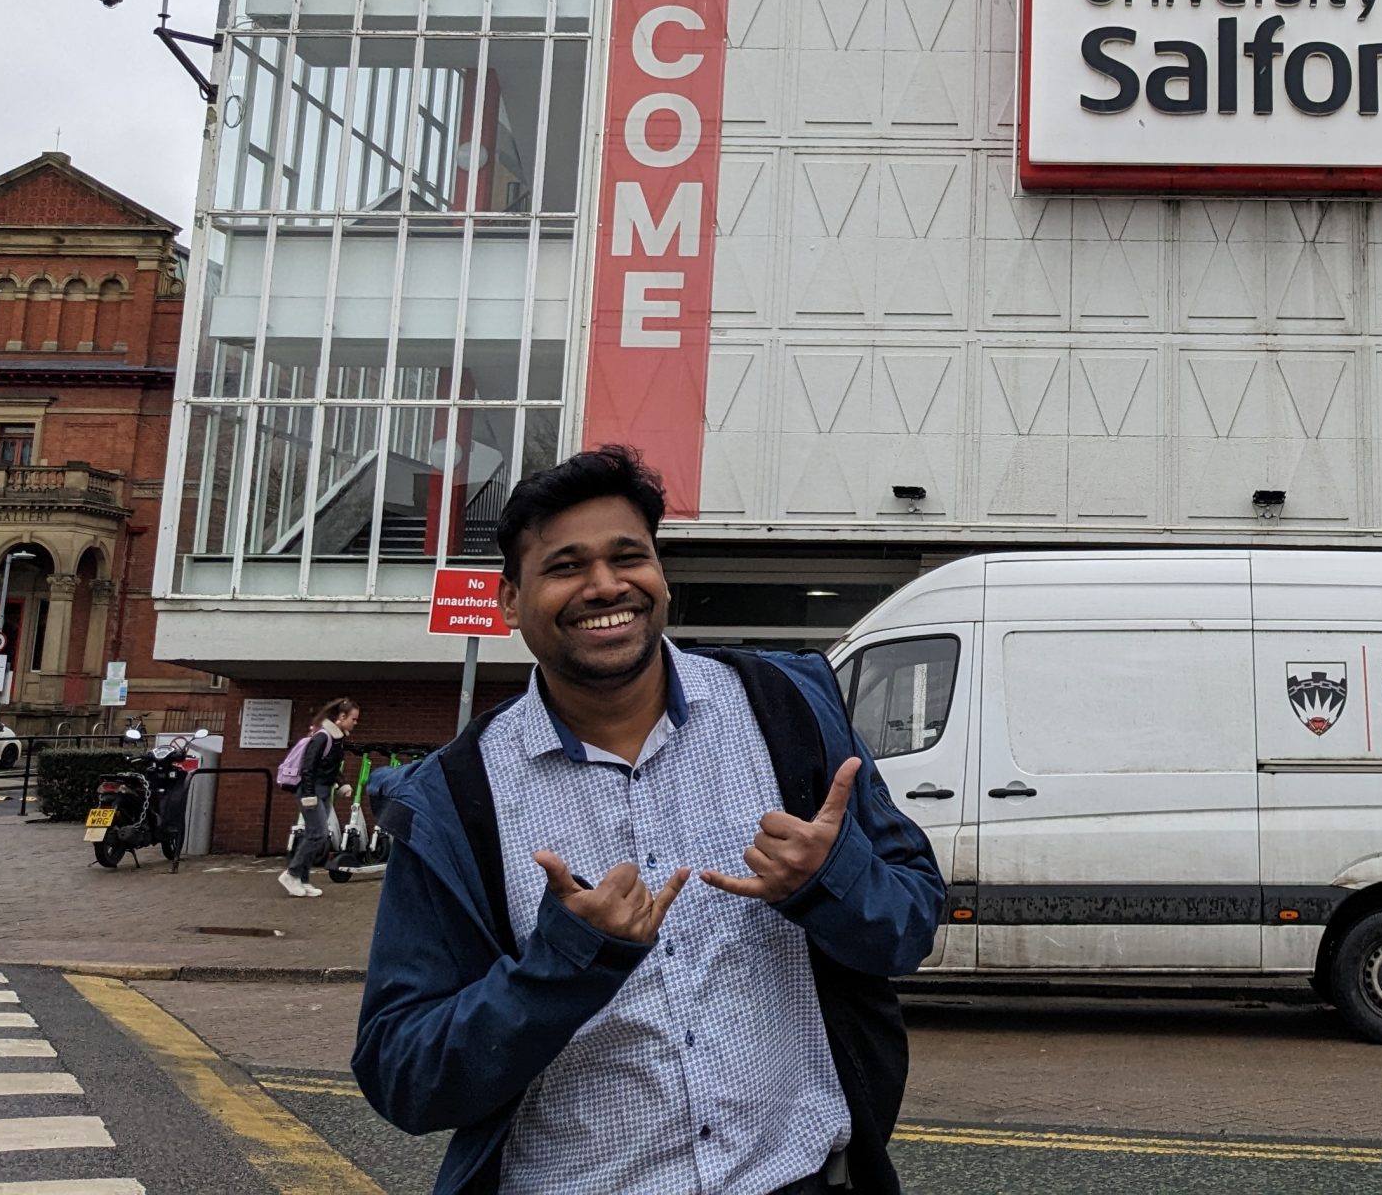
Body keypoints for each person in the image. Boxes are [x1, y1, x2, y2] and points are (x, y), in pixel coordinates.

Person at [353, 446, 943, 1195]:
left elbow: (913, 924)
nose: (605, 585)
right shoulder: (455, 798)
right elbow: (403, 1074)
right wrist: (565, 965)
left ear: (660, 573)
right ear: (509, 600)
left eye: (628, 556)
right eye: (566, 566)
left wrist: (834, 882)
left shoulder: (789, 709)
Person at [279, 696, 360, 898]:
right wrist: (308, 794)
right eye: (354, 718)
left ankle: (302, 879)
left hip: (322, 790)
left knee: (315, 835)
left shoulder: (337, 738)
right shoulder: (324, 737)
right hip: (312, 791)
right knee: (318, 834)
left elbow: (331, 767)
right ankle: (292, 874)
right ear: (342, 717)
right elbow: (308, 767)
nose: (355, 723)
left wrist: (343, 784)